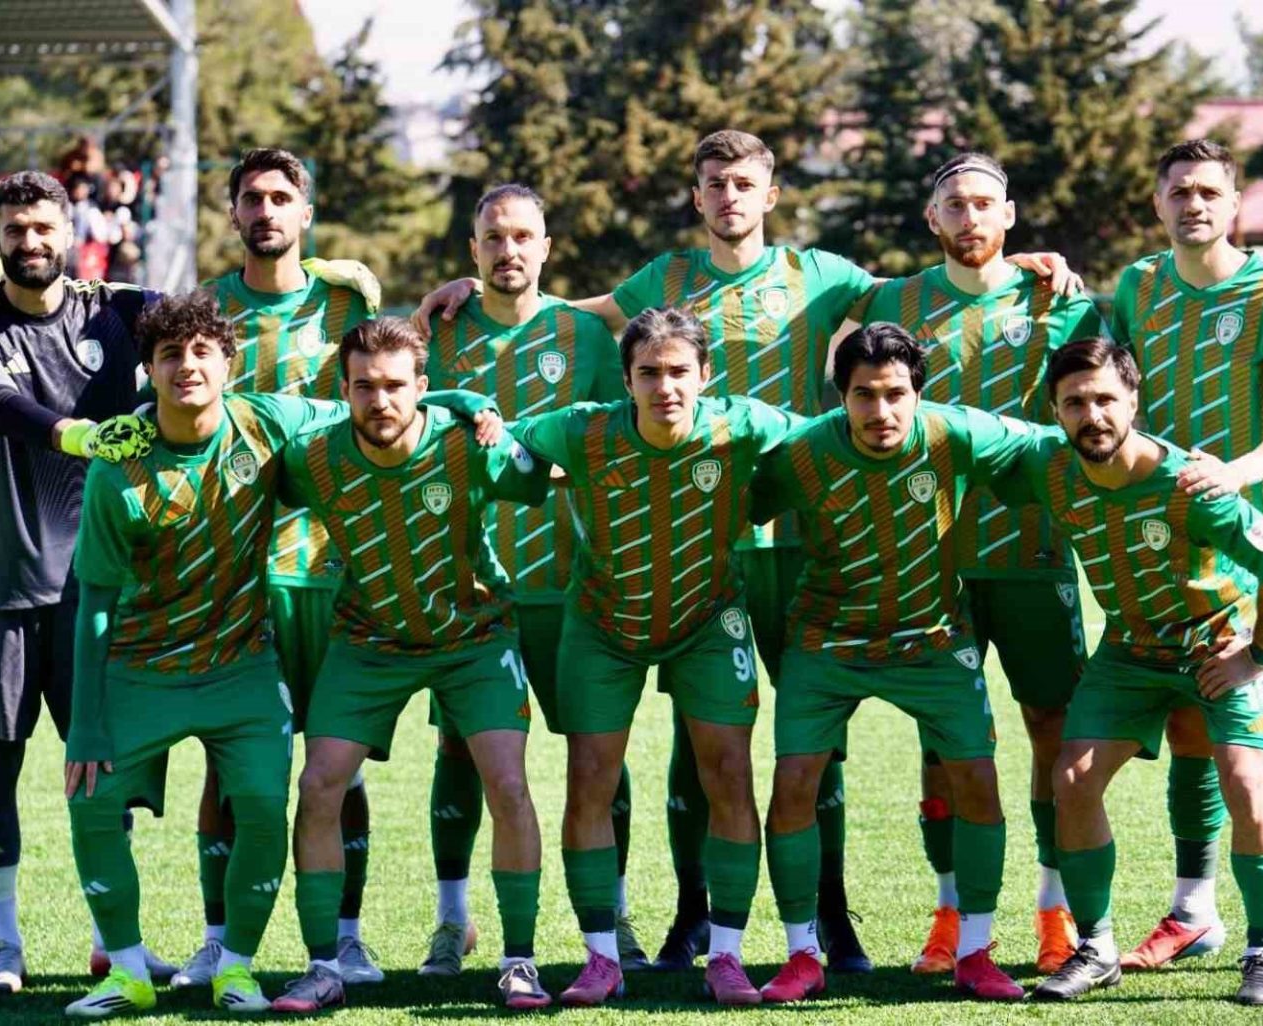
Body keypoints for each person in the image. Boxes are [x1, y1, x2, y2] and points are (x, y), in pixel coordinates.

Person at [414, 129, 1083, 973]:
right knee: (700, 740)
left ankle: (830, 919)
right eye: (715, 183)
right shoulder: (664, 280)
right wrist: (479, 286)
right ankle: (694, 916)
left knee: (818, 743)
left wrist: (1013, 263)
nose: (729, 196)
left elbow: (936, 284)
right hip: (708, 540)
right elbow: (580, 313)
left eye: (744, 183)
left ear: (769, 195)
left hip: (804, 538)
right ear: (697, 196)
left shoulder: (822, 274)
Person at [62, 290, 346, 1017]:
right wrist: (86, 726)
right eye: (169, 355)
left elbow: (377, 405)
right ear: (149, 371)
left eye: (201, 352)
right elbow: (95, 603)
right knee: (91, 801)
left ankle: (236, 968)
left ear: (228, 363)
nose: (186, 366)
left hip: (241, 664)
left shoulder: (265, 420)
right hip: (141, 667)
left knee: (262, 805)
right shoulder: (117, 468)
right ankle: (127, 972)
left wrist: (461, 400)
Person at [506, 307, 795, 1007]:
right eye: (648, 373)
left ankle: (726, 956)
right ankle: (602, 958)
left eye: (678, 372)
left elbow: (822, 439)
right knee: (590, 780)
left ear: (705, 375)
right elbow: (503, 436)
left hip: (709, 620)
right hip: (603, 625)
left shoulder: (743, 424)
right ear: (627, 380)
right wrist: (464, 404)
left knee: (729, 775)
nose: (665, 387)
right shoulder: (581, 430)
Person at [860, 152, 1105, 975]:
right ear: (931, 218)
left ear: (1009, 215)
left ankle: (1053, 909)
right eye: (954, 205)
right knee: (944, 742)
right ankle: (950, 913)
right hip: (933, 560)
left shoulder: (1062, 303)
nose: (969, 217)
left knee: (1053, 732)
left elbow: (1100, 404)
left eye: (983, 203)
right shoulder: (892, 303)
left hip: (1035, 552)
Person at [1008, 339, 1263, 1007]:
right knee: (1071, 778)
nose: (1092, 416)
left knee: (1244, 779)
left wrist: (1256, 655)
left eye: (1105, 399)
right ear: (1054, 411)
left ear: (1133, 401)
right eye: (1075, 403)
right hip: (1131, 652)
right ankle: (1096, 949)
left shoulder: (1191, 485)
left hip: (1216, 645)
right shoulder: (1053, 471)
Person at [269, 318, 552, 1013]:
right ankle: (323, 966)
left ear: (422, 387)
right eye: (364, 386)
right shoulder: (314, 456)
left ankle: (519, 962)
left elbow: (539, 478)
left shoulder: (466, 443)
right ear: (343, 391)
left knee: (507, 783)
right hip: (368, 641)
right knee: (318, 784)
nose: (381, 400)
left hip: (475, 637)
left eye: (397, 386)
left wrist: (473, 407)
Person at [0, 170, 168, 995]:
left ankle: (114, 941)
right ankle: (3, 947)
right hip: (4, 576)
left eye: (42, 228)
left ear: (70, 232)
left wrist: (332, 275)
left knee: (103, 762)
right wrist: (83, 437)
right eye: (14, 230)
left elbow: (213, 328)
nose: (29, 242)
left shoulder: (125, 309)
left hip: (99, 579)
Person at [753, 323, 1036, 1004]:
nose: (881, 410)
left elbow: (1049, 446)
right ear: (840, 397)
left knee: (977, 780)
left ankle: (975, 951)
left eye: (895, 393)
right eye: (863, 395)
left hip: (931, 641)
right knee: (793, 785)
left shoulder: (953, 433)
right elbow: (736, 502)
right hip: (827, 641)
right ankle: (801, 955)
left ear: (918, 394)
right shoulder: (803, 451)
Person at [170, 147, 384, 992]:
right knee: (230, 768)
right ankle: (218, 940)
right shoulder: (204, 310)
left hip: (333, 568)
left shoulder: (349, 306)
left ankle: (348, 939)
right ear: (232, 214)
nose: (265, 211)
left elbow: (396, 382)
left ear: (306, 213)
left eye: (280, 197)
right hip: (233, 573)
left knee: (341, 765)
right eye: (251, 198)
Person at [1109, 139, 1263, 979]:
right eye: (1178, 191)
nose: (1192, 204)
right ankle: (1193, 910)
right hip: (1173, 547)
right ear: (1157, 203)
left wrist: (1229, 476)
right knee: (1189, 720)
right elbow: (1099, 382)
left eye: (1208, 191)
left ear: (1235, 204)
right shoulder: (1136, 288)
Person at [419, 182, 634, 973]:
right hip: (470, 589)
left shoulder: (586, 336)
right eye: (493, 237)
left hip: (572, 587)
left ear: (546, 247)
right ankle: (453, 920)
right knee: (458, 753)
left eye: (522, 237)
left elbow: (619, 444)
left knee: (598, 757)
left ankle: (612, 917)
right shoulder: (439, 331)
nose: (508, 250)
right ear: (472, 250)